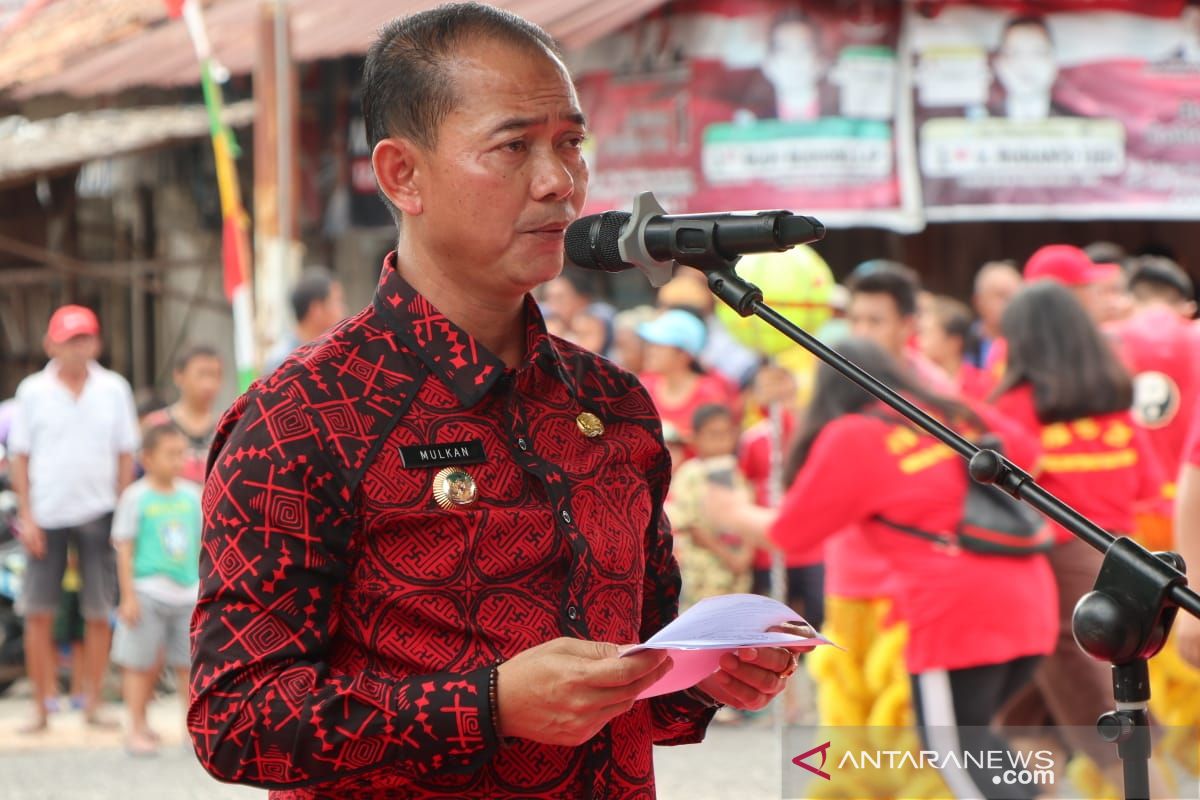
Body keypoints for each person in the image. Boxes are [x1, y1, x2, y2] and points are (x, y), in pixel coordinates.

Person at [190, 5, 808, 797]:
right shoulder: (302, 416)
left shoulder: (613, 404)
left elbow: (630, 678)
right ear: (400, 175)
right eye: (514, 146)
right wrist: (484, 707)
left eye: (571, 143)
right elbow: (234, 718)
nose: (560, 182)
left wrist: (705, 672)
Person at [706, 338, 1057, 800]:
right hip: (1028, 596)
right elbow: (1030, 454)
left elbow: (792, 534)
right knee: (980, 748)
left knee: (955, 760)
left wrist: (728, 511)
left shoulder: (854, 434)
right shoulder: (942, 409)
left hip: (958, 616)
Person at [990, 282, 1170, 793]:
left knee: (1114, 740)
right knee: (1028, 725)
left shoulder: (1015, 408)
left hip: (1057, 582)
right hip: (1121, 565)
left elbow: (998, 500)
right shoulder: (1114, 402)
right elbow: (1146, 487)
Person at [8, 304, 139, 732]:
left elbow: (125, 453)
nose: (76, 348)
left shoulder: (114, 388)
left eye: (83, 339)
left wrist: (123, 511)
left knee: (99, 610)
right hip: (46, 512)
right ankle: (42, 706)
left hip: (100, 510)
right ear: (51, 344)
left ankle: (94, 702)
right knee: (38, 611)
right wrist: (26, 516)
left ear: (96, 343)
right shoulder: (32, 390)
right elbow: (20, 457)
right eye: (68, 341)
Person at [111, 422, 201, 756]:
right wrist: (128, 595)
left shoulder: (192, 496)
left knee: (189, 666)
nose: (178, 461)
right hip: (147, 591)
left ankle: (192, 730)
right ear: (147, 458)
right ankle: (136, 726)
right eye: (170, 454)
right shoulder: (136, 496)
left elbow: (202, 545)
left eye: (182, 453)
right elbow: (125, 548)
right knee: (139, 663)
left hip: (187, 593)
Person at [665, 404, 753, 611]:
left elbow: (749, 517)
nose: (721, 440)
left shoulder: (736, 471)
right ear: (695, 438)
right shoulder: (690, 474)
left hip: (737, 574)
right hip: (705, 575)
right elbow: (691, 525)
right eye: (713, 434)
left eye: (726, 433)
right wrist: (728, 556)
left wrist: (746, 555)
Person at [637, 308, 741, 443]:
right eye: (650, 345)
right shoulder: (643, 386)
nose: (650, 351)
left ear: (683, 355)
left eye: (659, 346)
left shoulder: (710, 393)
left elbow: (719, 443)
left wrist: (677, 438)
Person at [142, 344, 223, 484]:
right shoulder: (156, 424)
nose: (209, 384)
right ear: (179, 376)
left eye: (215, 375)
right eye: (201, 374)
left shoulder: (227, 426)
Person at [261, 266, 348, 375]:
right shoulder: (282, 363)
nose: (343, 309)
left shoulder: (333, 354)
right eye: (337, 301)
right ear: (316, 310)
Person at [918, 295, 993, 400]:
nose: (919, 340)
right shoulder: (916, 379)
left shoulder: (981, 385)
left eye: (927, 332)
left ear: (954, 342)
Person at [993, 16, 1059, 121]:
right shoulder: (977, 118)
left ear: (1055, 62)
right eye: (1014, 53)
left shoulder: (1079, 117)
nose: (1026, 65)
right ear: (998, 63)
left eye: (1038, 53)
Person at [967, 260, 1021, 369]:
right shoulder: (960, 343)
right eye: (1002, 296)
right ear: (978, 301)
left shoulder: (1028, 346)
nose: (1011, 303)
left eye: (1017, 296)